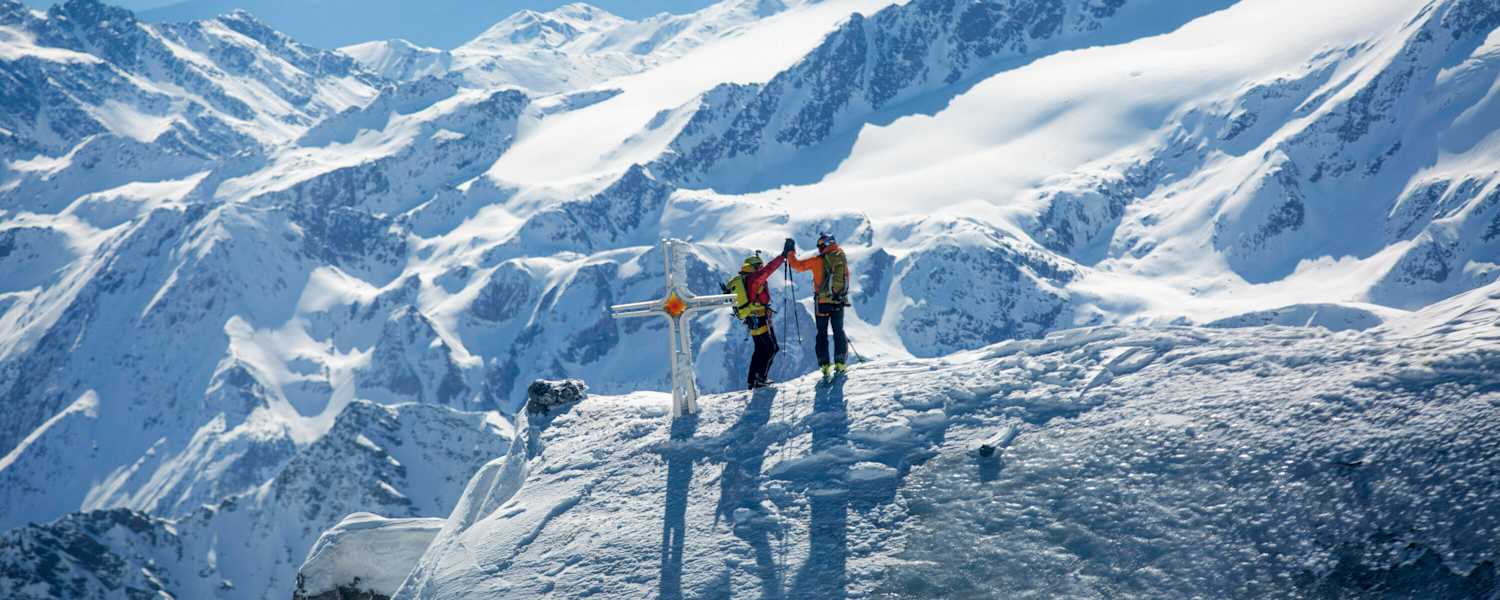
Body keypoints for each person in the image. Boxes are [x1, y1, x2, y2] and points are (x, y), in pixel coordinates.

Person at [724, 239, 794, 389]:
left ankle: (753, 380)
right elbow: (769, 269)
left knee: (760, 348)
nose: (761, 269)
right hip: (760, 317)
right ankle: (760, 378)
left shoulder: (745, 279)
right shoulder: (754, 279)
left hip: (752, 317)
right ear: (755, 267)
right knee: (770, 348)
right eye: (759, 266)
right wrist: (783, 256)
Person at [788, 233, 850, 379]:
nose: (819, 249)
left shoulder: (817, 261)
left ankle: (825, 366)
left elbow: (797, 266)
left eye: (820, 246)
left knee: (822, 333)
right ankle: (840, 363)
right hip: (838, 301)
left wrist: (790, 252)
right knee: (838, 331)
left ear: (824, 246)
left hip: (822, 303)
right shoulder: (841, 258)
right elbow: (846, 278)